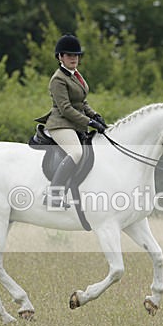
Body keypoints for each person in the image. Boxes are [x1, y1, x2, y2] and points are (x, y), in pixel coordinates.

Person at [36, 34, 107, 208]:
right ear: (60, 57)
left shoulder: (76, 75)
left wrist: (95, 115)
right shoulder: (58, 79)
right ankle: (53, 194)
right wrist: (89, 122)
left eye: (76, 55)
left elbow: (81, 102)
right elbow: (66, 108)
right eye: (69, 55)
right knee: (76, 153)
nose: (74, 58)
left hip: (75, 123)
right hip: (60, 123)